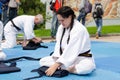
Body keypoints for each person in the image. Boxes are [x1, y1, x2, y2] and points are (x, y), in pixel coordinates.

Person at [39, 6, 96, 76]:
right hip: (64, 58)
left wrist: (56, 65)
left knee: (85, 68)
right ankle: (69, 68)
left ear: (70, 17)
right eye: (59, 21)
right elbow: (58, 45)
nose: (61, 23)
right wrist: (57, 59)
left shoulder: (79, 29)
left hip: (81, 58)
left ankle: (66, 68)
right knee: (42, 61)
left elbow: (72, 49)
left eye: (62, 20)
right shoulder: (61, 28)